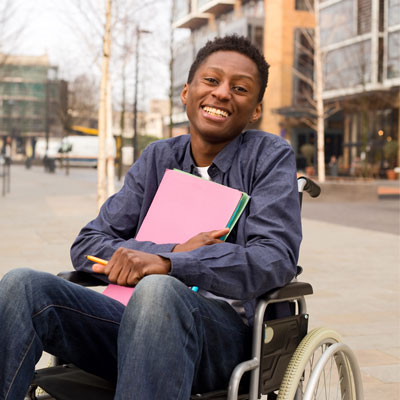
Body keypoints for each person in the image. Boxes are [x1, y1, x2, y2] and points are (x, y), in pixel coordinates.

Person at [0, 35, 301, 400]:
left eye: (239, 88)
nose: (222, 93)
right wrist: (165, 252)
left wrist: (172, 264)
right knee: (21, 285)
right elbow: (89, 243)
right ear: (186, 93)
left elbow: (274, 257)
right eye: (211, 80)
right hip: (128, 322)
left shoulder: (269, 156)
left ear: (255, 109)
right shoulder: (158, 158)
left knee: (158, 292)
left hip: (220, 337)